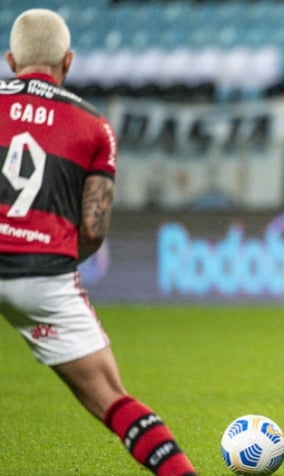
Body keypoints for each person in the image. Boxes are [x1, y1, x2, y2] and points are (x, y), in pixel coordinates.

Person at [0, 9, 196, 476]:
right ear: (68, 62)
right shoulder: (94, 126)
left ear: (10, 60)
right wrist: (54, 253)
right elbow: (93, 229)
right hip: (43, 276)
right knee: (113, 399)